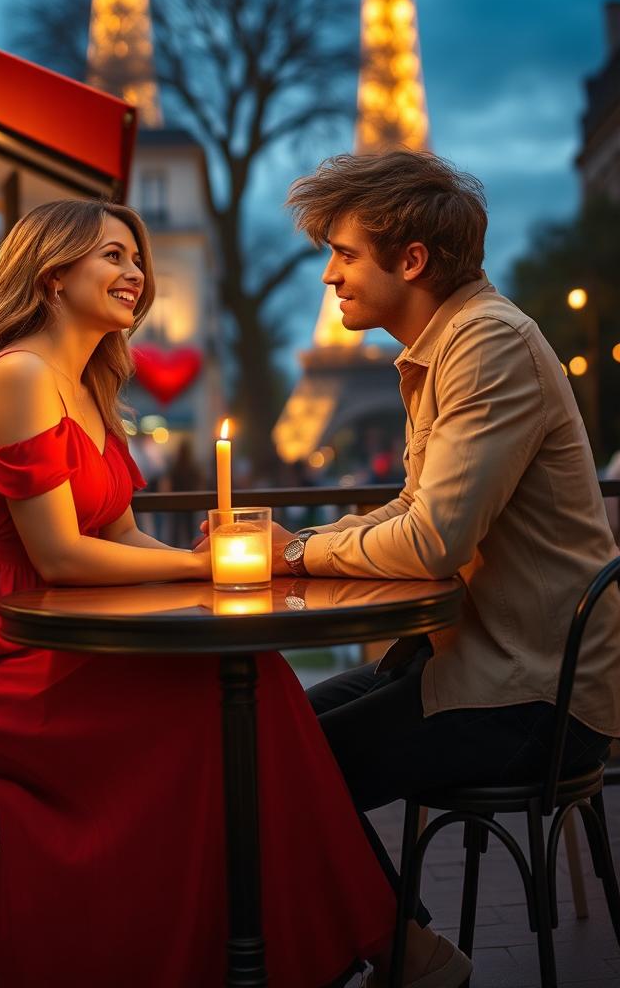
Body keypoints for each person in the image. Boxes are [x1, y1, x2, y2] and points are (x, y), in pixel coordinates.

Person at [0, 199, 404, 988]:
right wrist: (206, 572)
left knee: (252, 679)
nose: (135, 273)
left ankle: (276, 946)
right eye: (112, 257)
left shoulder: (92, 383)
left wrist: (206, 557)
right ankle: (344, 940)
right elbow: (62, 557)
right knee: (216, 710)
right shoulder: (25, 374)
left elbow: (124, 537)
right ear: (54, 273)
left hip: (60, 631)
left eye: (137, 259)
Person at [269, 150, 620, 984]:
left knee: (277, 771)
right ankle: (388, 951)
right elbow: (415, 512)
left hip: (534, 695)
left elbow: (432, 541)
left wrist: (297, 552)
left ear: (412, 260)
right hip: (476, 661)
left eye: (344, 254)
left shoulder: (486, 345)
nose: (329, 277)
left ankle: (400, 958)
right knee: (270, 738)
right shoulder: (447, 345)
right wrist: (297, 546)